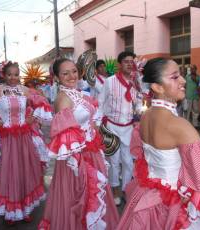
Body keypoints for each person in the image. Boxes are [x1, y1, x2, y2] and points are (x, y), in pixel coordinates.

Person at [117, 57, 200, 230]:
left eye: (180, 75)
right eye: (174, 77)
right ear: (157, 87)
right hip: (172, 203)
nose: (183, 80)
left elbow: (144, 158)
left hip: (149, 192)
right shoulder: (179, 126)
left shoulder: (146, 116)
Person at [38, 58, 119, 230]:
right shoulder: (63, 99)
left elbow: (92, 121)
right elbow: (65, 140)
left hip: (92, 153)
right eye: (65, 73)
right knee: (79, 197)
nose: (71, 76)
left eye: (74, 71)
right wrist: (81, 164)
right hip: (76, 159)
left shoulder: (80, 94)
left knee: (94, 196)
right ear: (57, 77)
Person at [0, 61, 52, 224]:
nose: (13, 78)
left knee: (25, 172)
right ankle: (10, 210)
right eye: (9, 74)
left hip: (25, 139)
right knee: (8, 173)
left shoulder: (25, 90)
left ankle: (24, 207)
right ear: (3, 75)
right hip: (6, 140)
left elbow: (42, 102)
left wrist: (32, 117)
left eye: (16, 74)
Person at [98, 51, 143, 206]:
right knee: (114, 161)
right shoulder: (110, 82)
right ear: (119, 64)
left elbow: (138, 103)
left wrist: (139, 112)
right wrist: (99, 125)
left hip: (129, 127)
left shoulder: (136, 83)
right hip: (112, 126)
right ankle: (115, 190)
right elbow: (100, 102)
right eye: (126, 61)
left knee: (129, 161)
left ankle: (125, 189)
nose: (130, 64)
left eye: (132, 61)